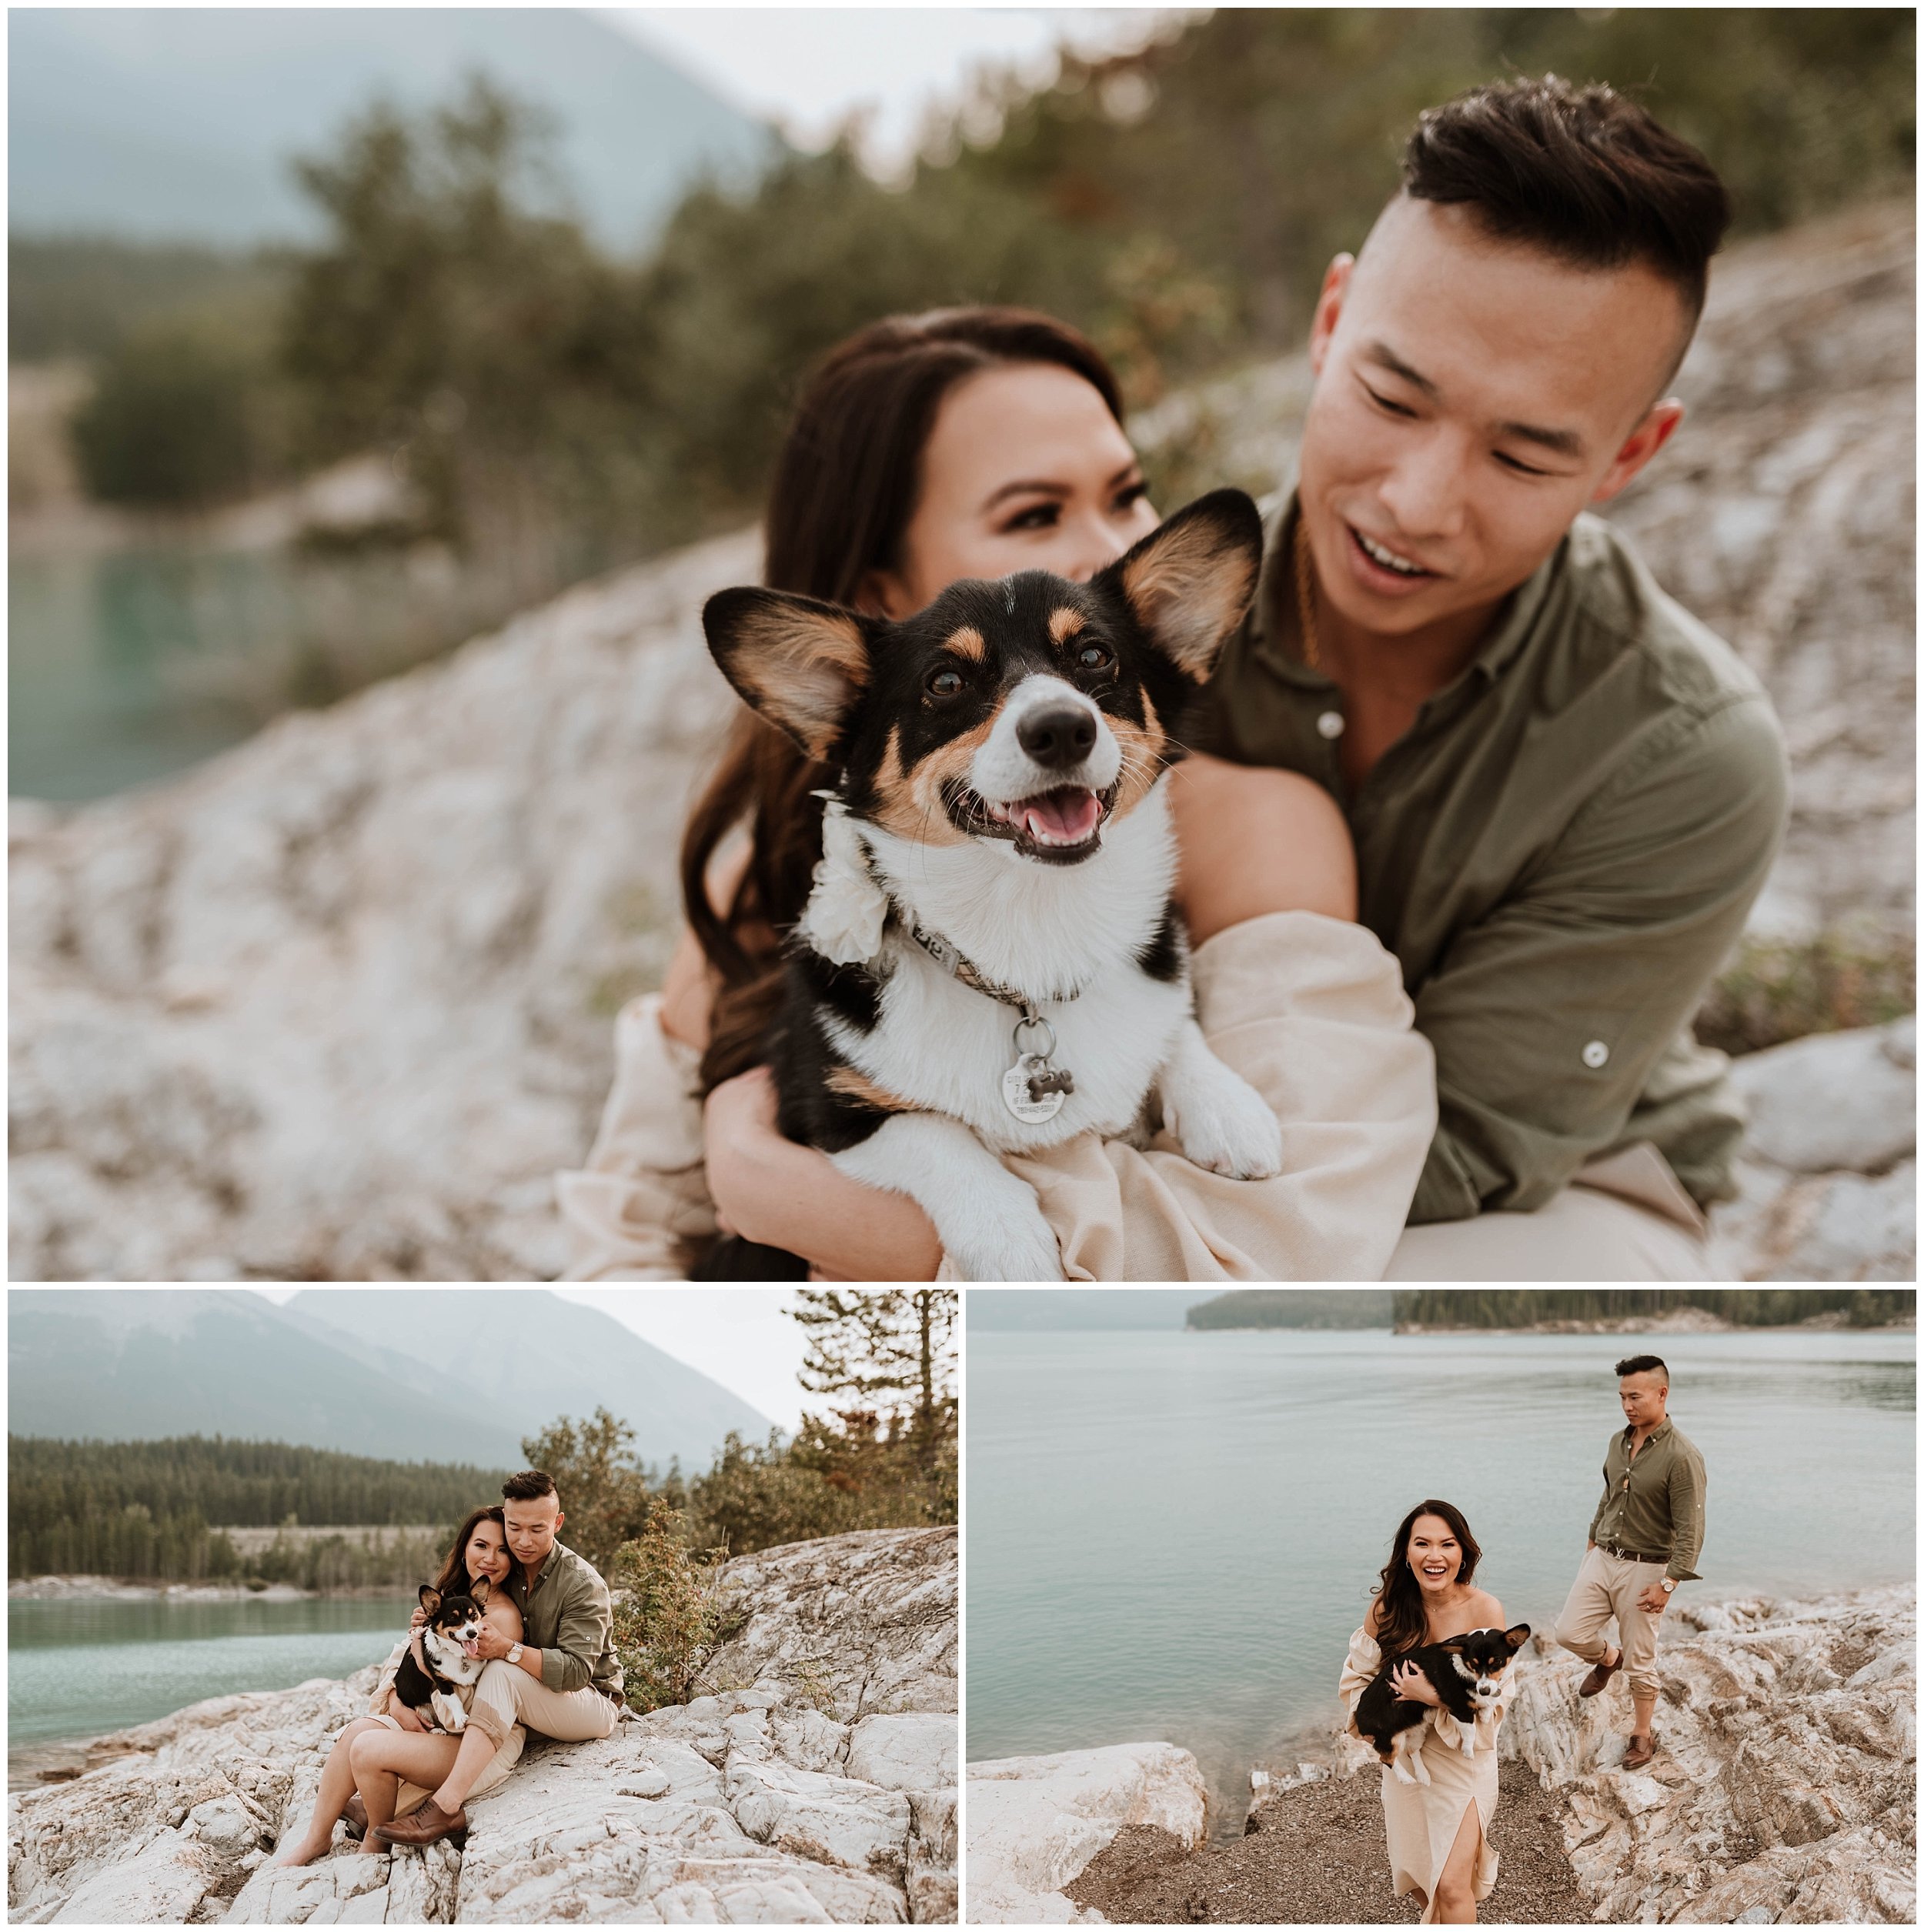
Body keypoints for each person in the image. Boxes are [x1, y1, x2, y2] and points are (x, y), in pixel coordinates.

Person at [556, 305, 1435, 1280]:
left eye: (1128, 493)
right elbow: (626, 1239)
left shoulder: (1267, 836)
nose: (1104, 551)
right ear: (880, 601)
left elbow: (1283, 1239)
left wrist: (791, 1195)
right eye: (1033, 515)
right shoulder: (759, 885)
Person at [1185, 76, 1790, 1280]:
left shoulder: (1686, 753)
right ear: (1330, 319)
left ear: (1631, 454)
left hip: (1556, 1190)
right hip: (1187, 1130)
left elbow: (1453, 1155)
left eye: (1521, 454)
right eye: (1389, 396)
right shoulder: (1132, 627)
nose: (1415, 503)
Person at [372, 1470, 624, 1848]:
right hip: (532, 1703)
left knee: (502, 1673)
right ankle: (389, 1807)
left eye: (537, 1529)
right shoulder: (503, 1571)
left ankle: (445, 1807)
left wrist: (508, 1648)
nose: (523, 1541)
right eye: (514, 1527)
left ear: (558, 1523)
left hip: (591, 1700)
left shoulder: (581, 1584)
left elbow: (574, 1673)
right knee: (493, 1710)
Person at [274, 1506, 527, 1865]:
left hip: (477, 1741)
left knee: (369, 1749)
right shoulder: (449, 1605)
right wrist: (396, 1702)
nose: (490, 1558)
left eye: (502, 1550)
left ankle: (375, 1842)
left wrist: (423, 1660)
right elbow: (408, 1668)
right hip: (438, 1721)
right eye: (481, 1545)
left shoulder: (499, 1620)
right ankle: (316, 1839)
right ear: (464, 1547)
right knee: (356, 1731)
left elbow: (467, 1700)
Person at [1339, 1501, 1511, 1925]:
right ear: (1406, 1553)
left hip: (1463, 1759)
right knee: (1419, 1880)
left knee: (1453, 1886)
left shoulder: (1485, 1611)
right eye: (1423, 1544)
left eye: (1447, 1544)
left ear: (1463, 1554)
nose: (1435, 1556)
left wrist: (1431, 1695)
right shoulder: (1387, 1609)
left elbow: (1495, 1700)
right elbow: (1358, 1678)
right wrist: (1373, 1729)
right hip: (1410, 1758)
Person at [1553, 1353, 1706, 1770]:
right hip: (1603, 1556)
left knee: (1642, 1660)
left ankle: (1641, 1734)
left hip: (1647, 1567)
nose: (1627, 1405)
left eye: (1635, 1397)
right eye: (1622, 1397)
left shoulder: (1682, 1455)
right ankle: (1607, 1659)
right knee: (1567, 1632)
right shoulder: (1618, 1441)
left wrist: (1669, 1584)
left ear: (1662, 1393)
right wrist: (1591, 1541)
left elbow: (1691, 1527)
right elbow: (1609, 1495)